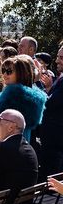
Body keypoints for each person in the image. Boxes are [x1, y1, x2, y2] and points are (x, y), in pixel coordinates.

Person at [38, 45, 63, 180]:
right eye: (58, 57)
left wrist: (35, 89)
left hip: (56, 143)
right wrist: (48, 88)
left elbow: (51, 103)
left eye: (62, 58)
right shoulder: (60, 78)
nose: (57, 61)